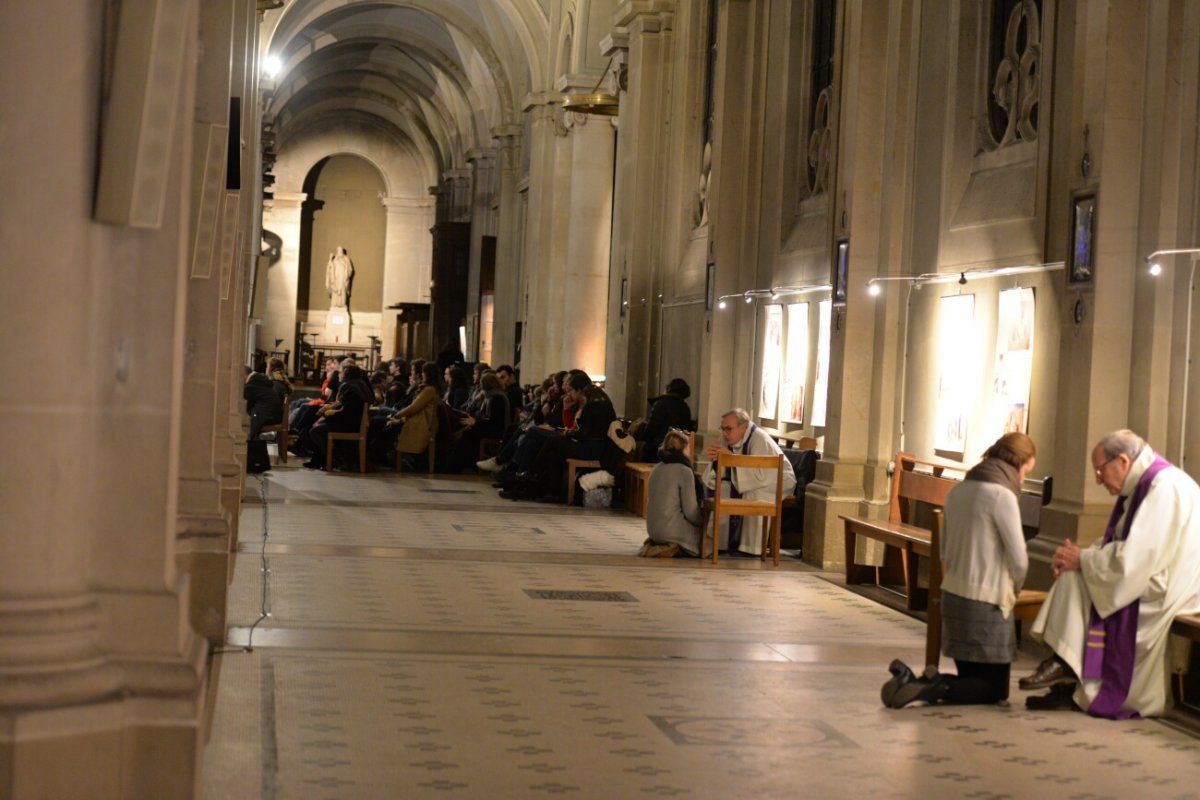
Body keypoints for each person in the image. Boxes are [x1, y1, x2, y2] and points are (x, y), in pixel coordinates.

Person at [1018, 430, 1200, 717]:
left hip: (1173, 587)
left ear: (1123, 461)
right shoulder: (1148, 483)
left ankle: (1068, 664)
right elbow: (1122, 544)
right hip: (1159, 573)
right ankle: (1067, 665)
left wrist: (1084, 559)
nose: (1098, 480)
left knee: (1081, 575)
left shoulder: (1162, 488)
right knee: (1076, 572)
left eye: (1100, 470)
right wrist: (1079, 556)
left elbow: (1133, 563)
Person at [881, 432, 1036, 708]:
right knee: (994, 691)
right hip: (987, 603)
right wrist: (1013, 589)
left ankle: (924, 682)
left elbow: (943, 552)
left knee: (973, 680)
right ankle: (925, 685)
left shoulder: (958, 491)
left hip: (953, 599)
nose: (1023, 479)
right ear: (1018, 463)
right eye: (1026, 471)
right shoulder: (1002, 496)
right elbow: (1019, 560)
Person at [702, 408, 796, 556]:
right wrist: (716, 461)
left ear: (743, 426)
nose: (724, 433)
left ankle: (752, 548)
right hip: (754, 478)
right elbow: (726, 468)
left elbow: (762, 473)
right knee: (724, 488)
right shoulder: (727, 438)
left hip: (778, 479)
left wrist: (731, 458)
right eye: (722, 428)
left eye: (728, 429)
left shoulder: (759, 439)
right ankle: (719, 543)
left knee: (754, 493)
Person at [642, 429, 705, 557]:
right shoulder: (684, 471)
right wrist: (704, 522)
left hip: (653, 531)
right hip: (671, 530)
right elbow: (691, 512)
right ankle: (675, 547)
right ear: (684, 448)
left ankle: (659, 546)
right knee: (708, 542)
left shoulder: (656, 468)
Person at [639, 378, 694, 462]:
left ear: (669, 389)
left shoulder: (660, 404)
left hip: (657, 451)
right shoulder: (685, 408)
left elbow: (650, 432)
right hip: (678, 452)